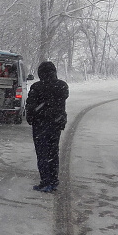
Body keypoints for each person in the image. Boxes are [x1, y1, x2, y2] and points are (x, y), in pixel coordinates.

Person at [26, 61, 70, 193]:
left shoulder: (37, 87)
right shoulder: (62, 86)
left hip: (40, 124)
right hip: (56, 124)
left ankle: (45, 181)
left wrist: (31, 117)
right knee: (53, 152)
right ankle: (53, 180)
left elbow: (31, 106)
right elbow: (62, 100)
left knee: (42, 153)